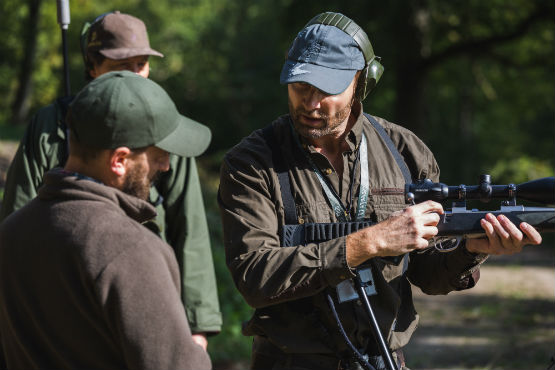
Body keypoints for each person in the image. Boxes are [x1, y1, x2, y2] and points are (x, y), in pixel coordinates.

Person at [217, 12, 542, 370]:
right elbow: (254, 276)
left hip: (385, 359)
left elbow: (427, 275)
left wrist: (470, 250)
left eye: (326, 90)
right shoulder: (250, 163)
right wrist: (368, 243)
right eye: (300, 87)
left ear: (360, 81)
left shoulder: (405, 152)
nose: (310, 103)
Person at [0, 11, 222, 348]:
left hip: (147, 298)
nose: (135, 76)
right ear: (93, 68)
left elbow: (189, 229)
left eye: (142, 65)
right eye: (122, 67)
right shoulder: (51, 127)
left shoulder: (167, 127)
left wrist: (197, 326)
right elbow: (18, 219)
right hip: (62, 299)